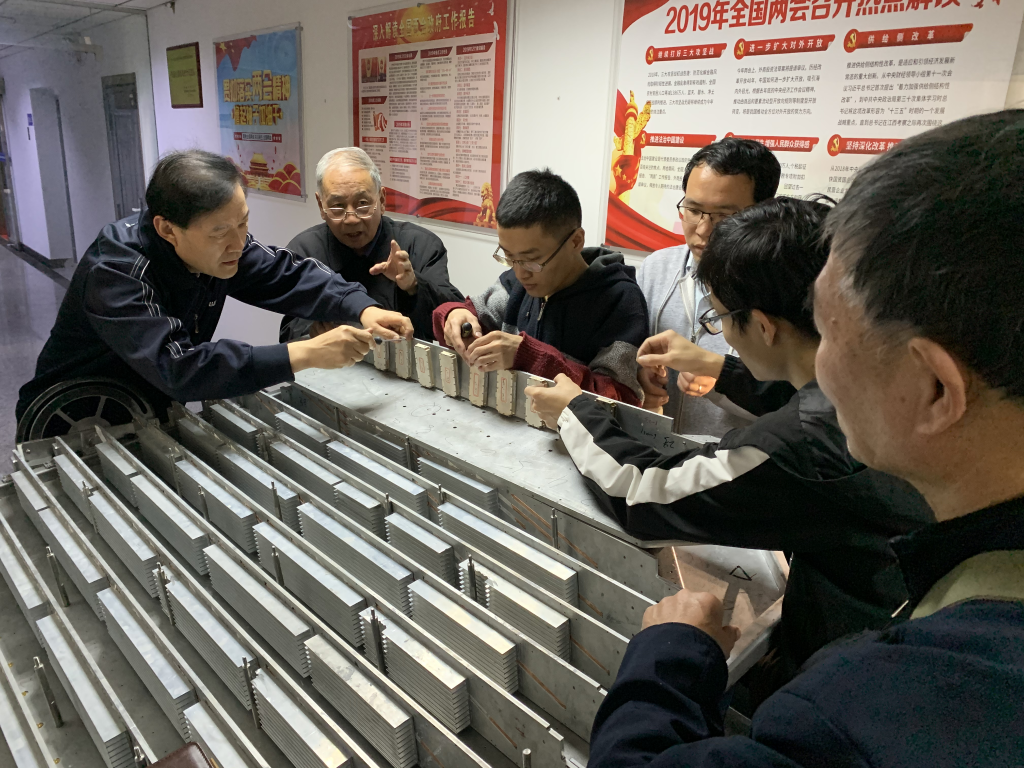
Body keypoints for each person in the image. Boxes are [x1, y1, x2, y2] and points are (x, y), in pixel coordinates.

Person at [556, 111, 1024, 766]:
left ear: (935, 387)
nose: (818, 368)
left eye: (829, 334)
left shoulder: (856, 711)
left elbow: (646, 490)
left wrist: (670, 654)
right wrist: (720, 367)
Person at [526, 196, 933, 699]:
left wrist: (574, 411)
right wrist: (716, 367)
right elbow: (802, 392)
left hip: (853, 662)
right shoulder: (878, 371)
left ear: (763, 325)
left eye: (719, 320)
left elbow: (642, 492)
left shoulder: (790, 447)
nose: (724, 337)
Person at [16, 150, 412, 426]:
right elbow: (180, 366)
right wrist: (304, 353)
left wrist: (363, 308)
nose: (239, 243)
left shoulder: (221, 249)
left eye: (243, 222)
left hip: (150, 407)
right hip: (74, 416)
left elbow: (286, 274)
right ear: (167, 229)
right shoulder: (117, 272)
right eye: (221, 231)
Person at [432, 169, 649, 404]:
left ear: (576, 241)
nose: (520, 272)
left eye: (532, 260)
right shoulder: (514, 285)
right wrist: (454, 316)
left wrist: (529, 356)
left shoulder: (620, 300)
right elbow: (466, 314)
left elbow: (620, 402)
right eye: (509, 257)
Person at [638, 137, 792, 436]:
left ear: (763, 213)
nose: (704, 230)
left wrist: (721, 378)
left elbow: (798, 404)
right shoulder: (656, 268)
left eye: (725, 216)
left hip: (739, 458)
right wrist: (640, 374)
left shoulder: (781, 289)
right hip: (660, 453)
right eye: (693, 210)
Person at [279, 148, 463, 342]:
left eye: (362, 203)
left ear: (381, 200)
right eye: (338, 206)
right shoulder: (304, 252)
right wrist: (312, 332)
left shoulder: (420, 244)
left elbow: (452, 313)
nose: (351, 219)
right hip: (331, 360)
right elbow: (290, 329)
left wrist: (413, 285)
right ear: (321, 206)